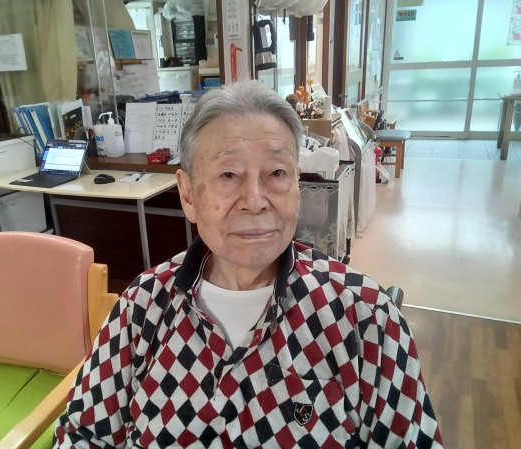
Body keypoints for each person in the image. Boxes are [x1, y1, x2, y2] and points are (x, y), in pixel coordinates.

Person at [54, 80, 443, 448]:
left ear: (297, 185)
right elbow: (83, 434)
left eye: (276, 173)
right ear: (188, 195)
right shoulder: (142, 307)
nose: (255, 201)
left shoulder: (367, 318)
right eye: (229, 174)